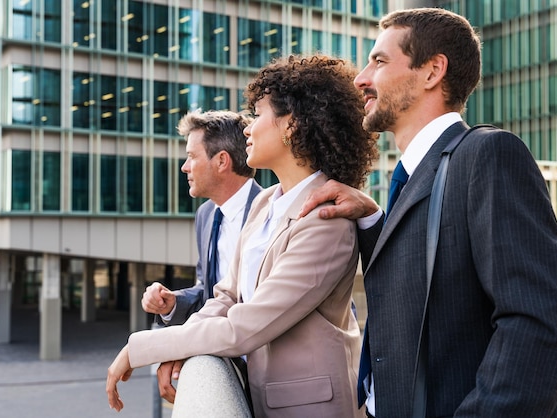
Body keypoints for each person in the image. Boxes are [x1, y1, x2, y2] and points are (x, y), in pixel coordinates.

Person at [298, 8, 557, 418]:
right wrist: (376, 219)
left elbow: (538, 325)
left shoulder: (488, 155)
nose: (361, 78)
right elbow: (435, 285)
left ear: (432, 72)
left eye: (379, 61)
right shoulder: (415, 176)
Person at [107, 54, 379, 417]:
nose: (247, 129)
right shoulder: (264, 202)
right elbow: (225, 297)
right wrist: (176, 348)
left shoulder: (327, 220)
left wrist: (144, 347)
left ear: (292, 125)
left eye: (258, 114)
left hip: (308, 408)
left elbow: (246, 326)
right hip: (256, 394)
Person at [140, 109, 262, 402]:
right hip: (228, 366)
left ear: (221, 161)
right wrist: (173, 301)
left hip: (274, 371)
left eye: (192, 156)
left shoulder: (275, 210)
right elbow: (210, 291)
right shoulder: (206, 215)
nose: (184, 167)